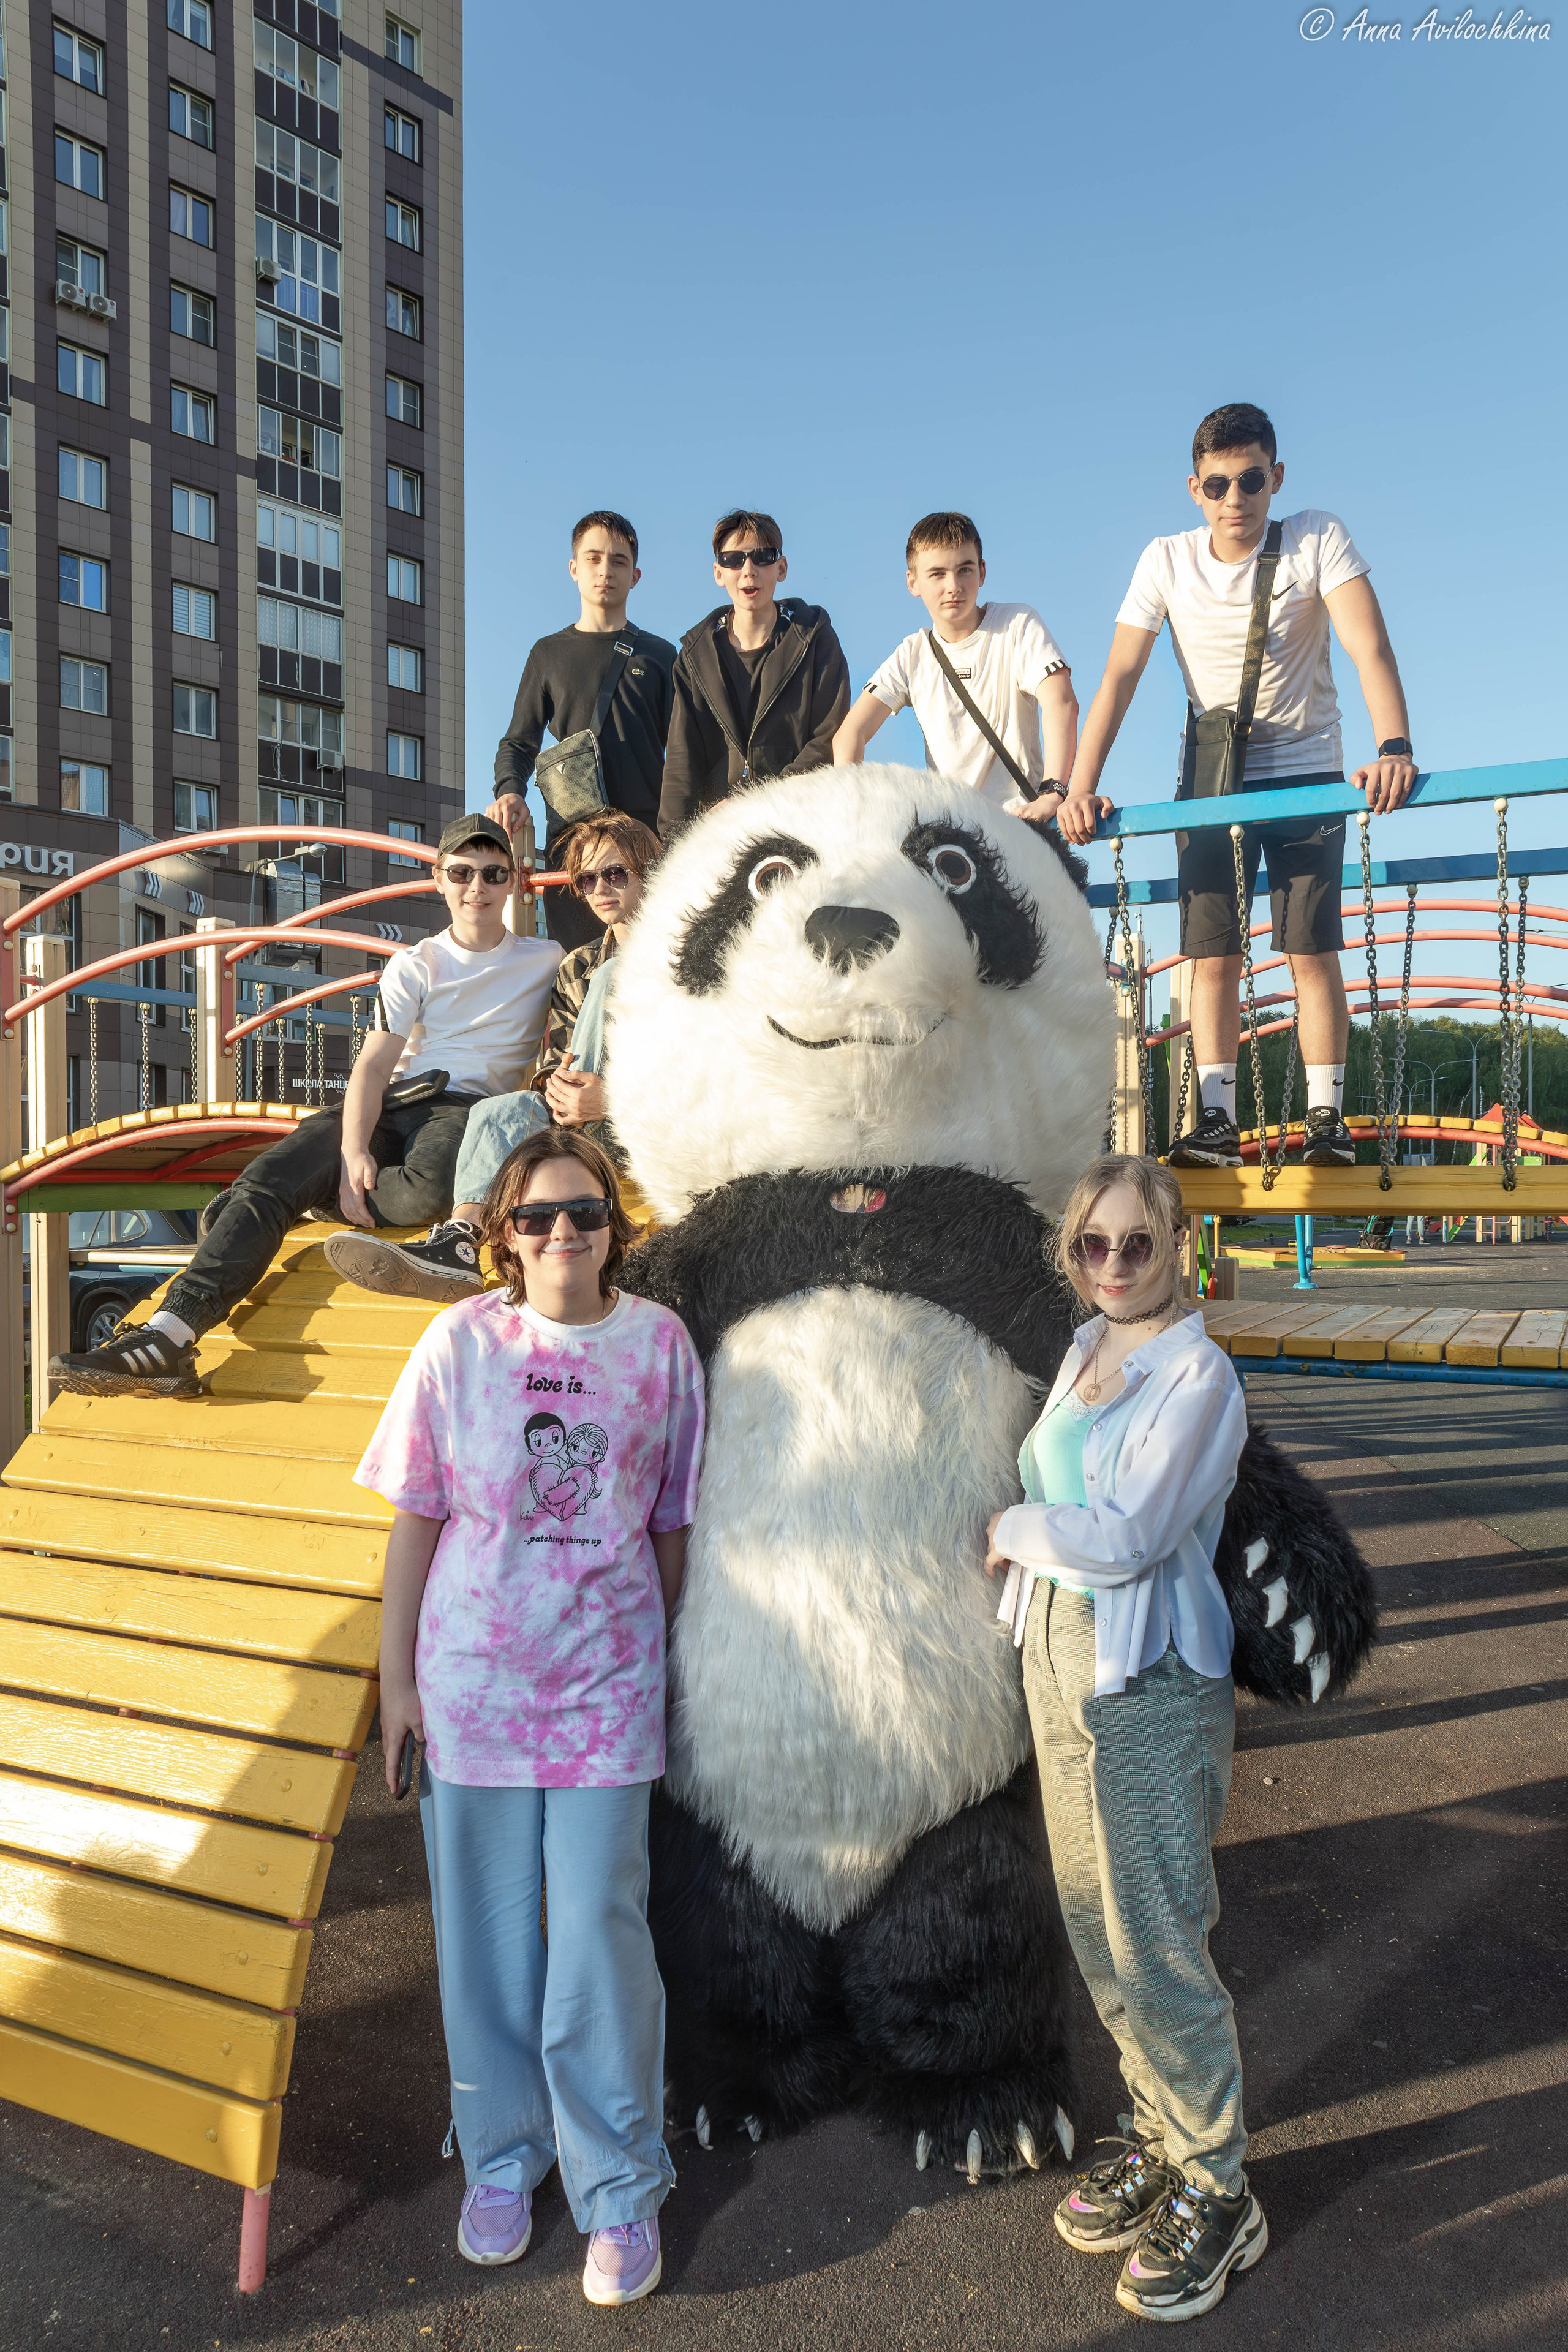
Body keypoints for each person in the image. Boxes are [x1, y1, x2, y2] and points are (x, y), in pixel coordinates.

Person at [359, 1128, 704, 2304]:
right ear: (504, 1232)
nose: (565, 1233)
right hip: (473, 1694)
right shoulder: (458, 1343)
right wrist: (397, 1682)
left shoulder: (660, 1348)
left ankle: (620, 2184)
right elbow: (414, 1521)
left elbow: (671, 1532)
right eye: (540, 1216)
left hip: (605, 1696)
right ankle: (503, 2160)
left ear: (618, 1225)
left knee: (601, 1944)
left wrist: (637, 1648)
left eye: (587, 1213)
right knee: (487, 1951)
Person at [985, 1153, 1262, 2324]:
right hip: (1060, 1657)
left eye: (1135, 1246)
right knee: (1096, 1927)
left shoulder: (1198, 1375)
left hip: (1146, 1675)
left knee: (1157, 1938)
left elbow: (1130, 1535)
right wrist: (1041, 1549)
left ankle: (1219, 2185)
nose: (1111, 1265)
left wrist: (1010, 1523)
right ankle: (1158, 2132)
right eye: (1091, 1245)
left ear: (1178, 1248)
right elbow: (1081, 1527)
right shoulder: (1083, 1350)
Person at [49, 819, 560, 1396]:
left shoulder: (544, 959)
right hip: (396, 1100)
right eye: (462, 873)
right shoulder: (415, 963)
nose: (477, 888)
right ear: (438, 879)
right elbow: (372, 1065)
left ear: (515, 882)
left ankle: (300, 1205)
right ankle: (170, 1337)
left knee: (422, 1194)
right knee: (271, 1177)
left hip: (466, 1112)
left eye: (493, 874)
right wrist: (352, 1148)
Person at [1058, 403, 1417, 1170]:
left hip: (1306, 771)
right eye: (1217, 484)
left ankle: (1326, 1120)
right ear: (1194, 488)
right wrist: (1078, 788)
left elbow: (1368, 645)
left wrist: (1393, 747)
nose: (1235, 499)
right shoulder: (1165, 560)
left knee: (1309, 947)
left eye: (1251, 480)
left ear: (1275, 479)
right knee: (1208, 952)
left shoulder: (1317, 537)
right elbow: (1119, 675)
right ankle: (1216, 1124)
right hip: (1211, 776)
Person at [334, 812, 663, 1302]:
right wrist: (557, 1085)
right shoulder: (575, 964)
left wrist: (615, 1100)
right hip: (583, 1126)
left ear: (652, 875)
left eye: (616, 874)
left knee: (613, 976)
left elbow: (716, 1069)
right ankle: (460, 1243)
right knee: (497, 1109)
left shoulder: (693, 960)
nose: (600, 889)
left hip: (654, 1123)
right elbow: (557, 1055)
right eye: (587, 878)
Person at [490, 511, 676, 951]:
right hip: (575, 849)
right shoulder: (548, 654)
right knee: (577, 977)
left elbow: (688, 749)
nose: (605, 571)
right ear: (574, 568)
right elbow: (518, 741)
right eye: (593, 558)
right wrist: (510, 790)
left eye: (618, 561)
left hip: (646, 846)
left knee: (652, 975)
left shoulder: (662, 656)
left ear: (636, 575)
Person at [831, 510, 1078, 816]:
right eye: (937, 574)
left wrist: (1053, 793)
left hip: (1019, 825)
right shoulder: (912, 653)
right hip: (953, 837)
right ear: (913, 582)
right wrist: (853, 809)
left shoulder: (1017, 624)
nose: (954, 586)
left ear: (982, 572)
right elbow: (850, 734)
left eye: (965, 570)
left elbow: (1062, 702)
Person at [657, 510, 850, 837]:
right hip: (722, 835)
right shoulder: (694, 657)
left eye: (763, 557)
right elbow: (681, 762)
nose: (748, 570)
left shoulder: (815, 638)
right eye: (733, 559)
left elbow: (830, 738)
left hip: (802, 824)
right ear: (718, 572)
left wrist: (759, 803)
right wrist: (676, 846)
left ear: (782, 568)